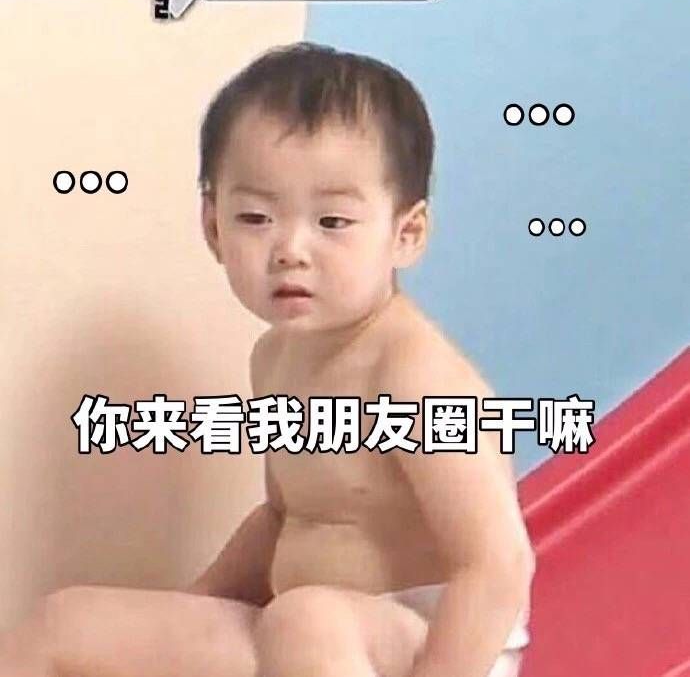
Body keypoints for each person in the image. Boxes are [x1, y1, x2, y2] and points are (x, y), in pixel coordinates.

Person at [0, 41, 535, 677]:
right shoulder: (277, 358)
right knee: (66, 623)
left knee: (305, 619)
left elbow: (497, 565)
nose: (290, 249)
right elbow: (286, 515)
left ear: (406, 234)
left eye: (332, 222)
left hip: (435, 645)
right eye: (255, 217)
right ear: (213, 228)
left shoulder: (414, 372)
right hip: (299, 641)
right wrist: (193, 608)